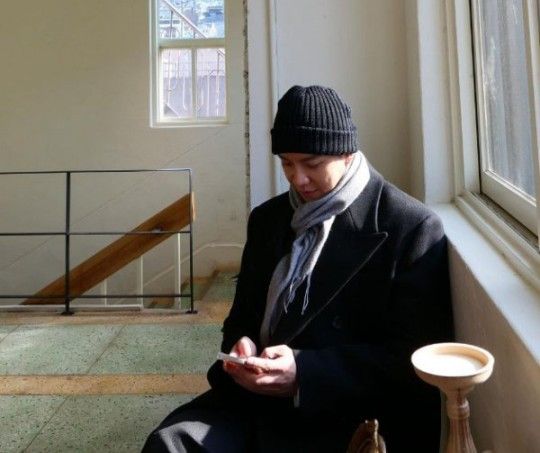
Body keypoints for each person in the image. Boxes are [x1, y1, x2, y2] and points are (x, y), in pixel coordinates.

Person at [142, 85, 453, 452]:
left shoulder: (410, 228)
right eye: (287, 163)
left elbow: (415, 360)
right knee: (169, 444)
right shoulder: (268, 219)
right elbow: (241, 318)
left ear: (347, 153)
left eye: (312, 164)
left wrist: (304, 373)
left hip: (345, 413)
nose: (297, 178)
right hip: (255, 402)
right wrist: (242, 345)